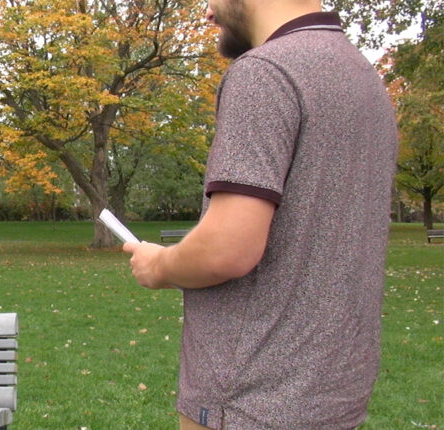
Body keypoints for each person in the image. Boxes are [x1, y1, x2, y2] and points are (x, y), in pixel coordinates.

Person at [123, 0, 397, 428]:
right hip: (333, 399)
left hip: (248, 400)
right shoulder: (363, 76)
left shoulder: (265, 72)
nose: (208, 13)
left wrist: (158, 265)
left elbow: (226, 249)